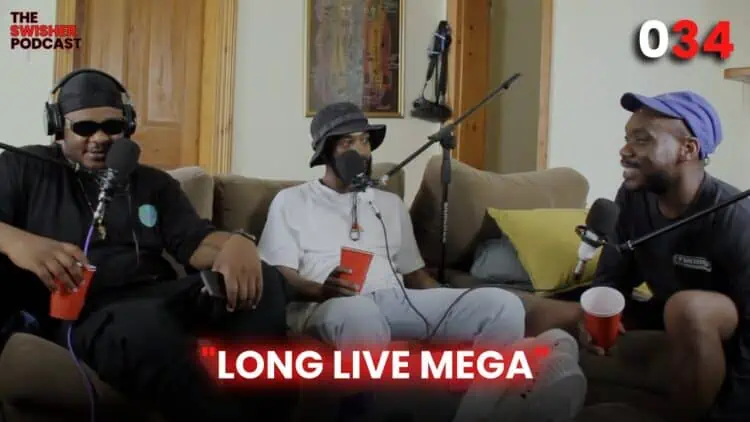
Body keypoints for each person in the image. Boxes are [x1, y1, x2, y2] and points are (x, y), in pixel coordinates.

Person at [258, 101, 586, 422]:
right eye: (347, 142)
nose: (360, 150)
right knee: (361, 314)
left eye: (364, 140)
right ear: (325, 151)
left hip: (397, 300)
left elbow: (416, 277)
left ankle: (479, 410)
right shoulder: (292, 201)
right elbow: (278, 275)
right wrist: (321, 290)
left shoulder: (388, 204)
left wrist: (453, 301)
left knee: (502, 305)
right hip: (332, 305)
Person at [0, 69, 293, 421]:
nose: (99, 138)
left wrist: (238, 242)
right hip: (89, 311)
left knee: (267, 279)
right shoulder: (24, 167)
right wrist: (20, 243)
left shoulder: (154, 183)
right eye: (84, 128)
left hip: (159, 295)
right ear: (58, 126)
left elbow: (195, 243)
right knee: (145, 326)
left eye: (112, 126)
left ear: (128, 126)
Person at [578, 91, 750, 422]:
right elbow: (612, 278)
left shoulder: (736, 217)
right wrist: (597, 316)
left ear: (688, 149)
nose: (624, 150)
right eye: (627, 138)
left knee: (688, 308)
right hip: (663, 311)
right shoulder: (632, 198)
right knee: (543, 313)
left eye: (642, 140)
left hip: (722, 328)